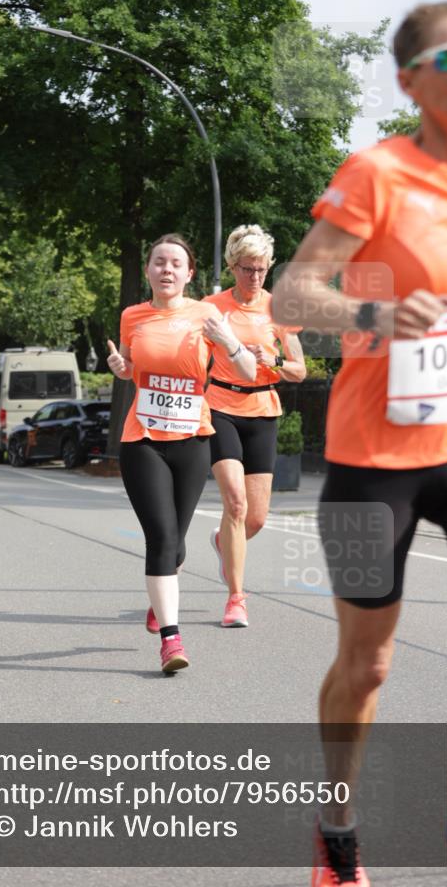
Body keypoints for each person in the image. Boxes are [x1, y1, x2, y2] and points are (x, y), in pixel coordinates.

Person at [272, 1, 447, 886]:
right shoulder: (377, 174)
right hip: (369, 461)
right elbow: (292, 295)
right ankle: (335, 825)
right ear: (410, 81)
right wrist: (377, 313)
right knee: (368, 660)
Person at [107, 234, 256, 673]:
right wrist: (123, 369)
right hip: (143, 440)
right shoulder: (132, 315)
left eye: (176, 263)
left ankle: (163, 594)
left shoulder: (207, 314)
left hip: (192, 440)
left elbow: (247, 371)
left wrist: (228, 341)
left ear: (189, 273)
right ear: (149, 270)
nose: (166, 270)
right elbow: (133, 366)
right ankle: (171, 641)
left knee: (174, 547)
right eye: (158, 262)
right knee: (161, 538)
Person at [203, 224, 306, 627]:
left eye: (262, 269)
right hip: (221, 407)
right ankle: (236, 599)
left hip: (263, 410)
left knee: (257, 518)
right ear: (233, 266)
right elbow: (192, 359)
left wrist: (272, 360)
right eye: (248, 268)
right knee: (236, 503)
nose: (256, 277)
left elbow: (298, 370)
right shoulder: (211, 308)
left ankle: (222, 543)